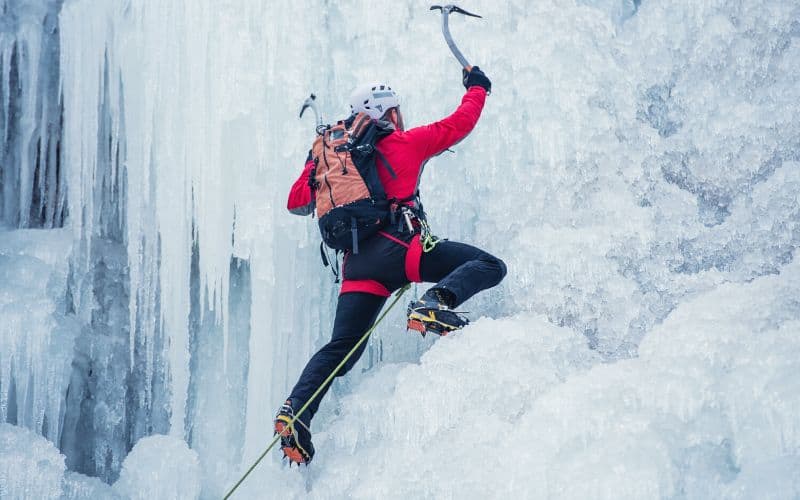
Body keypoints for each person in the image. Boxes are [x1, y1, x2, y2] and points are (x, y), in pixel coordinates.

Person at [274, 67, 506, 465]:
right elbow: (460, 123)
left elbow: (297, 202)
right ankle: (434, 301)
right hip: (403, 249)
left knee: (342, 351)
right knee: (489, 264)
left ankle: (295, 411)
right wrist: (477, 88)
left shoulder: (329, 156)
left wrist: (317, 167)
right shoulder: (406, 143)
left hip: (359, 267)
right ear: (388, 114)